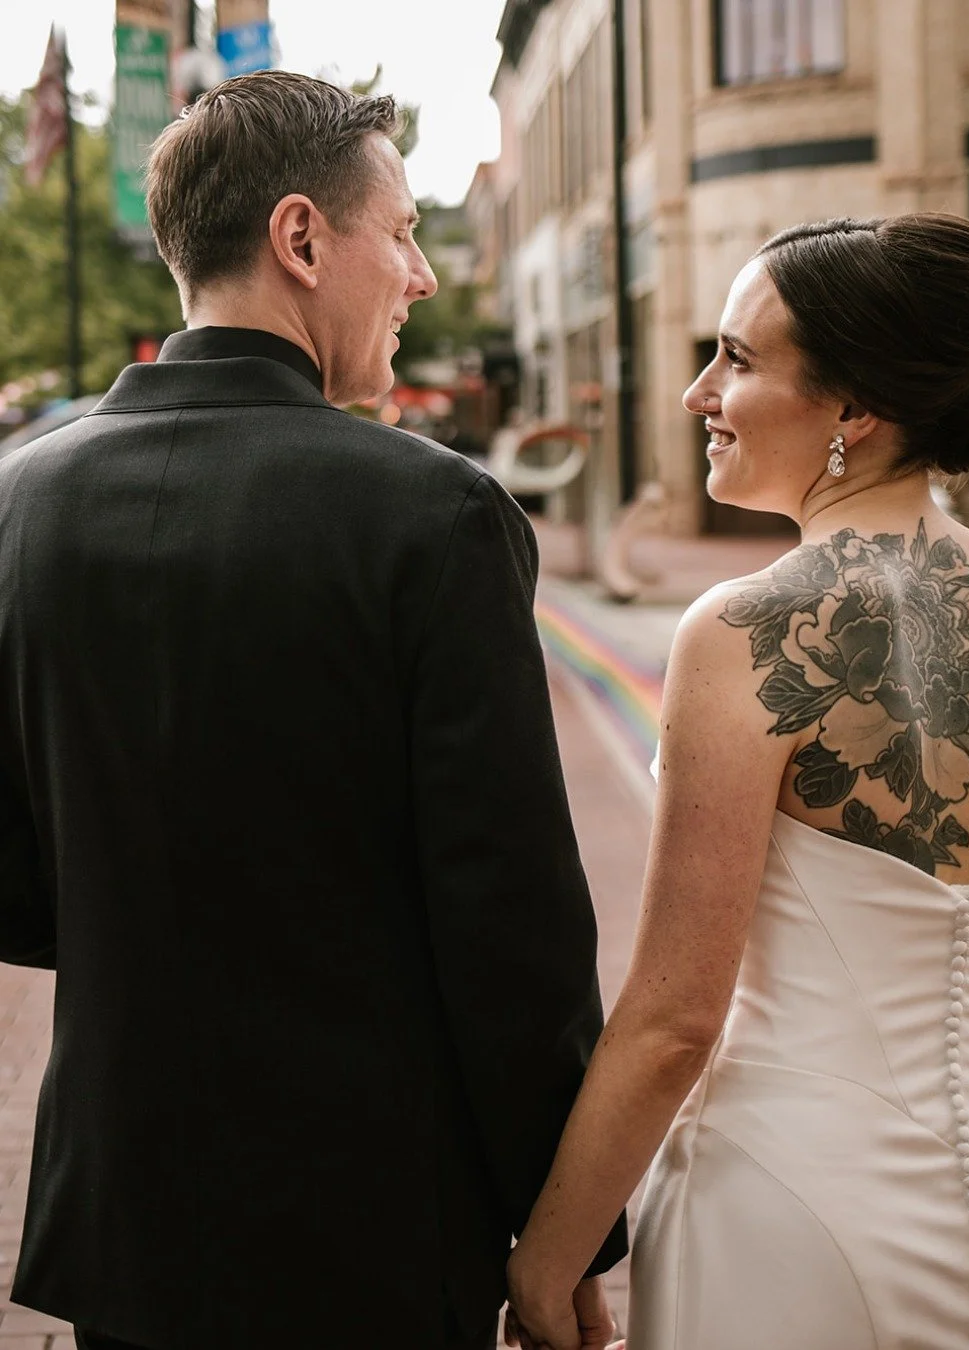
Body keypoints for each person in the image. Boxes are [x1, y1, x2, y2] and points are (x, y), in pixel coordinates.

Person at [0, 72, 625, 1350]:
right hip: (375, 1224)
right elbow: (512, 927)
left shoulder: (19, 503)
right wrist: (569, 1225)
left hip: (121, 1219)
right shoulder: (434, 517)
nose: (422, 275)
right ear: (301, 238)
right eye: (400, 233)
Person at [504, 213, 969, 1350]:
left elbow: (675, 1021)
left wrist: (548, 1255)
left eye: (738, 358)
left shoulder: (746, 633)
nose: (697, 394)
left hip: (788, 1217)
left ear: (855, 410)